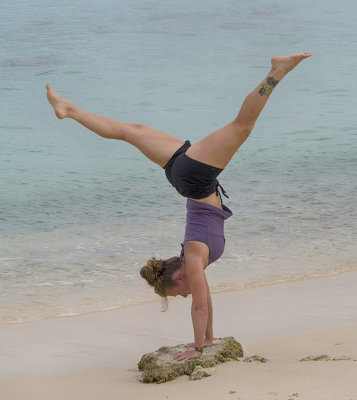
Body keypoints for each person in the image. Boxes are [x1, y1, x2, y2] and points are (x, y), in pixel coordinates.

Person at [46, 52, 311, 362]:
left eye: (178, 293)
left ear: (178, 277)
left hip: (195, 178)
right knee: (129, 130)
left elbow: (199, 305)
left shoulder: (194, 258)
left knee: (242, 125)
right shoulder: (193, 258)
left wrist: (197, 350)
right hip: (182, 174)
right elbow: (206, 300)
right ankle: (69, 109)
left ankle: (276, 72)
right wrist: (208, 340)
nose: (185, 295)